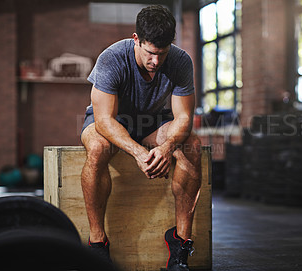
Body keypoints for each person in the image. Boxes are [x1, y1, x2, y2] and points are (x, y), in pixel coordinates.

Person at [80, 5, 201, 271]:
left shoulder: (180, 61)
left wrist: (168, 146)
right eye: (150, 53)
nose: (156, 61)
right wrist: (137, 152)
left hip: (152, 124)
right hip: (111, 121)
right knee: (98, 147)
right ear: (136, 39)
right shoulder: (112, 58)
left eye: (162, 53)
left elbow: (182, 119)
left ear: (171, 43)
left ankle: (181, 243)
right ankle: (97, 242)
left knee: (191, 145)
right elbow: (104, 120)